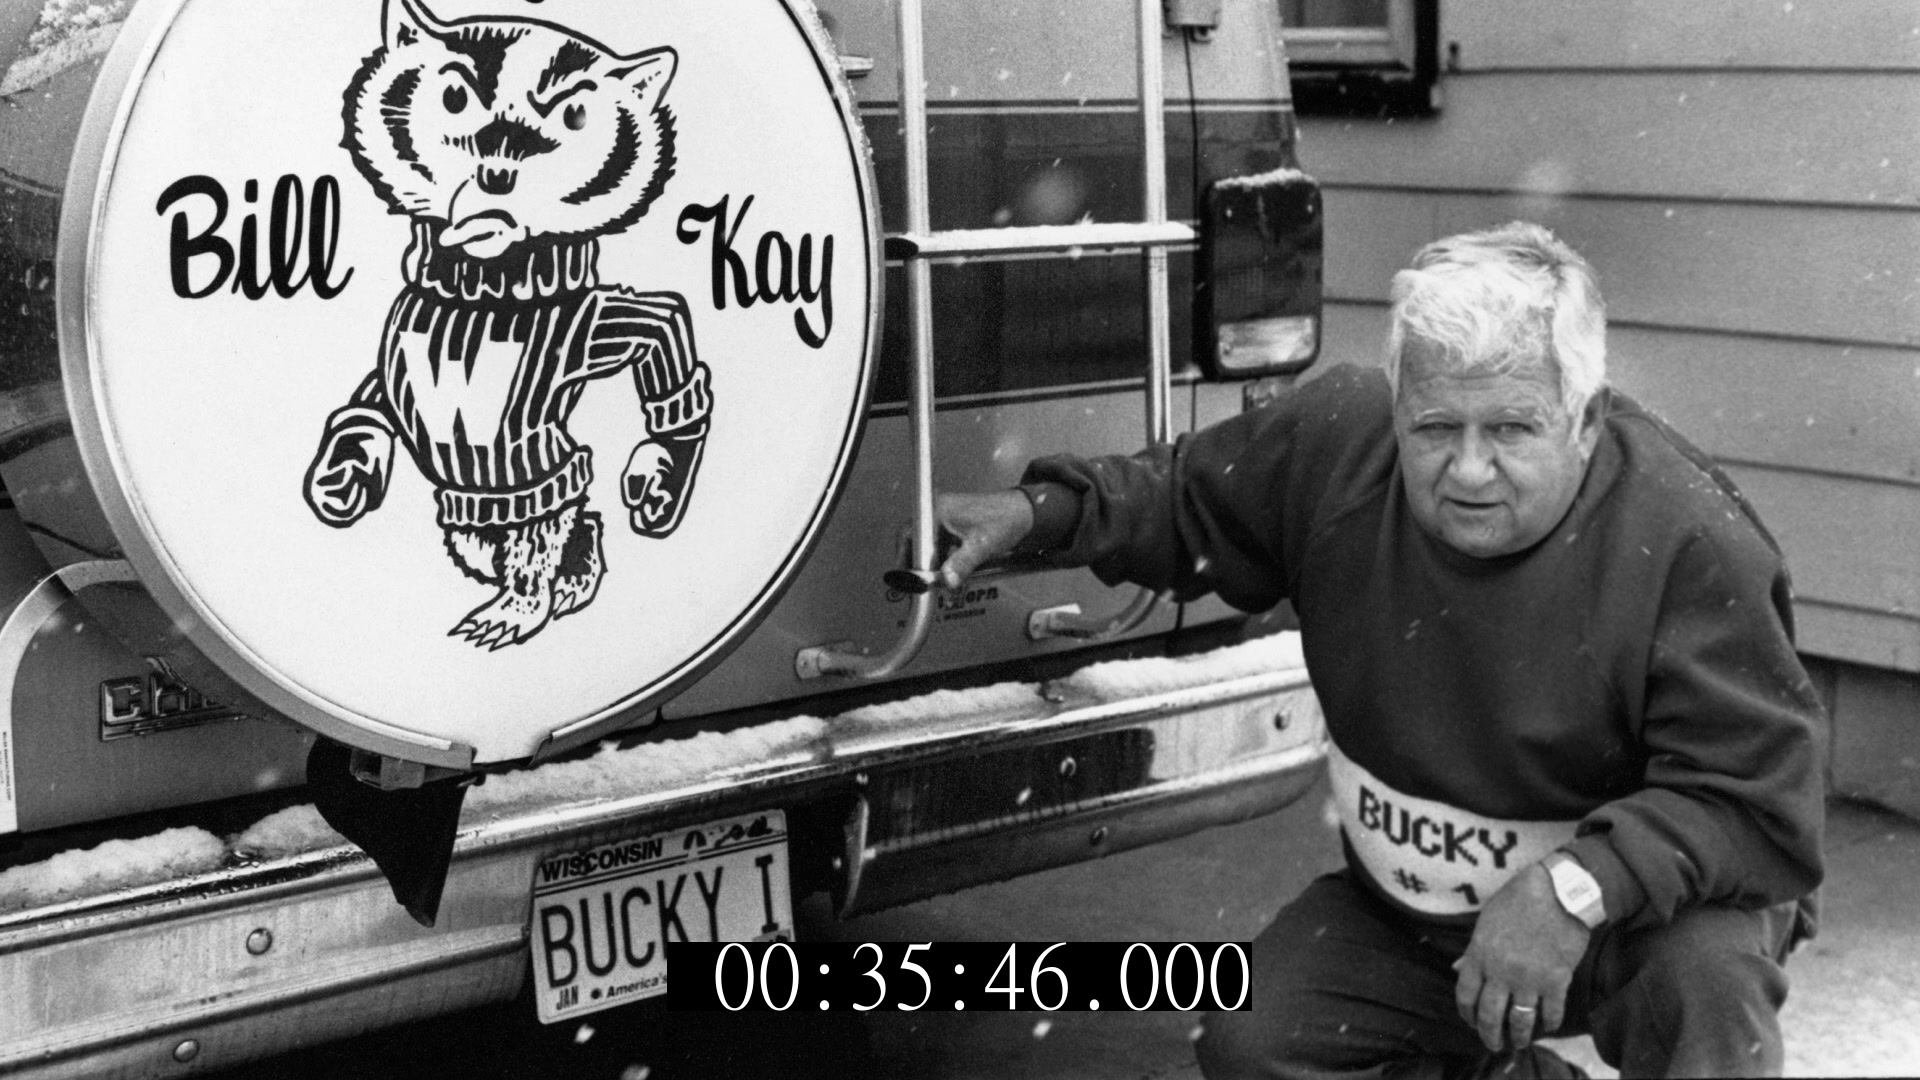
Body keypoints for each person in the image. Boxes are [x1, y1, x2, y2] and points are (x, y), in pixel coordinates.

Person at [935, 223, 1826, 1079]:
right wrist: (1038, 515)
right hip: (1416, 918)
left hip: (1635, 918)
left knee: (1705, 983)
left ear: (1584, 418)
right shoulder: (1340, 441)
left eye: (1511, 430)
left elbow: (1754, 799)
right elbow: (1181, 497)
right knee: (1260, 1040)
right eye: (1435, 428)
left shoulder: (1691, 543)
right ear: (1396, 405)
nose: (1468, 470)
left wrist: (1578, 887)